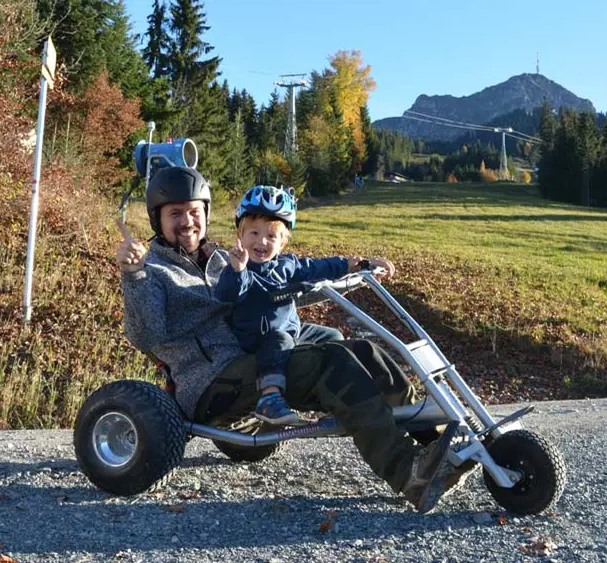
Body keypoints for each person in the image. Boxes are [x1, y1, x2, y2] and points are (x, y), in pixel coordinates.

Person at [116, 165, 477, 514]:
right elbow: (146, 335)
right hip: (211, 380)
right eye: (175, 213)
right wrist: (133, 274)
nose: (187, 221)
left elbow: (277, 290)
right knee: (332, 363)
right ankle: (407, 472)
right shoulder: (153, 271)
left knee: (364, 351)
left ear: (206, 214)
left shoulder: (224, 259)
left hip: (252, 360)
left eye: (194, 211)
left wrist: (355, 271)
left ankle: (439, 442)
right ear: (157, 219)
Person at [215, 185, 354, 426]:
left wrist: (351, 264)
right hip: (255, 340)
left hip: (290, 331)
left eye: (271, 236)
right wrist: (237, 270)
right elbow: (227, 293)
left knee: (333, 336)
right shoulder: (240, 270)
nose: (262, 241)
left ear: (282, 243)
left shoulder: (286, 265)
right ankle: (269, 398)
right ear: (241, 235)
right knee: (279, 339)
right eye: (254, 233)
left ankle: (332, 398)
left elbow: (316, 267)